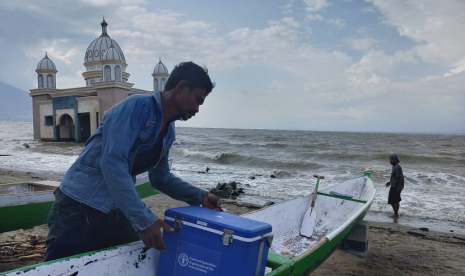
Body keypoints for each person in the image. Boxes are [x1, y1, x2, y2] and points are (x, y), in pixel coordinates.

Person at [45, 61, 221, 261]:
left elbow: (160, 177)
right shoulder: (136, 107)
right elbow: (113, 163)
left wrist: (200, 196)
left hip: (117, 207)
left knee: (129, 263)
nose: (197, 109)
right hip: (80, 206)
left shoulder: (168, 132)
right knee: (60, 269)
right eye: (197, 100)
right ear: (180, 87)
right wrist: (144, 220)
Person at [385, 154, 404, 218]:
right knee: (396, 200)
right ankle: (396, 213)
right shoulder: (394, 167)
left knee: (392, 201)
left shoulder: (397, 167)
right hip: (394, 185)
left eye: (393, 159)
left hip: (395, 186)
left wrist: (399, 187)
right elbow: (395, 177)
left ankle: (396, 214)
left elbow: (401, 177)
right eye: (390, 159)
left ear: (396, 160)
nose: (391, 160)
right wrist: (390, 182)